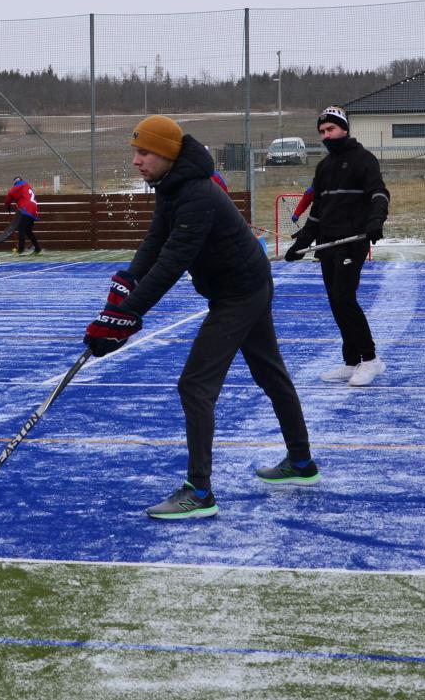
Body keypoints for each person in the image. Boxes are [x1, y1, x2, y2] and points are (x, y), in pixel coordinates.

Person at [83, 115, 319, 521]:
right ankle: (301, 462)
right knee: (270, 373)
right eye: (135, 152)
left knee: (195, 385)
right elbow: (155, 241)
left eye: (144, 152)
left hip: (240, 294)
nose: (136, 160)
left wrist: (126, 316)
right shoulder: (171, 185)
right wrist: (125, 284)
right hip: (244, 285)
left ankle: (200, 492)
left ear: (167, 153)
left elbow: (173, 261)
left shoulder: (196, 193)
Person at [285, 106, 390, 387]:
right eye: (322, 131)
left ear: (344, 128)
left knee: (345, 299)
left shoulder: (364, 159)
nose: (326, 135)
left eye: (330, 129)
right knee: (335, 302)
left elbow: (379, 193)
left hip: (352, 241)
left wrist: (375, 221)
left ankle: (370, 359)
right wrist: (303, 241)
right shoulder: (324, 166)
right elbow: (318, 209)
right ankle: (351, 360)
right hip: (327, 243)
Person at [3, 176, 42, 255]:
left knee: (21, 229)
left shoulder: (17, 186)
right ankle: (37, 248)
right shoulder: (27, 186)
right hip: (34, 210)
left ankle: (20, 250)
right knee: (28, 230)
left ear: (15, 182)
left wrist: (7, 205)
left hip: (26, 209)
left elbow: (9, 195)